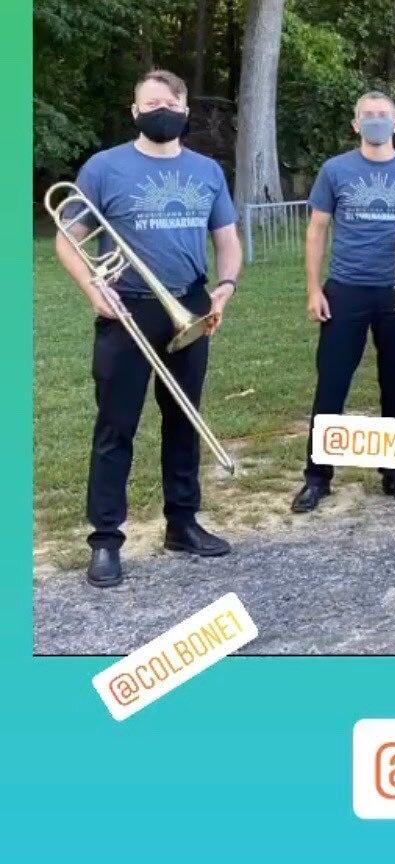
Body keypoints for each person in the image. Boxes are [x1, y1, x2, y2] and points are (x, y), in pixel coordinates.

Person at [52, 69, 242, 588]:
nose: (161, 108)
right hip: (126, 309)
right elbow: (68, 241)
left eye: (170, 100)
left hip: (189, 304)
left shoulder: (206, 171)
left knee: (184, 420)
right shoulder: (103, 167)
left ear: (184, 109)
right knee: (116, 428)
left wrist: (225, 286)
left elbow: (226, 238)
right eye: (150, 102)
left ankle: (182, 524)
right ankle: (106, 540)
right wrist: (96, 293)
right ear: (135, 112)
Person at [291, 91, 395, 513]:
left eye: (384, 116)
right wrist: (313, 288)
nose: (376, 122)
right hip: (347, 290)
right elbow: (317, 229)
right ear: (355, 124)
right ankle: (317, 477)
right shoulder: (335, 170)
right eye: (368, 116)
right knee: (332, 385)